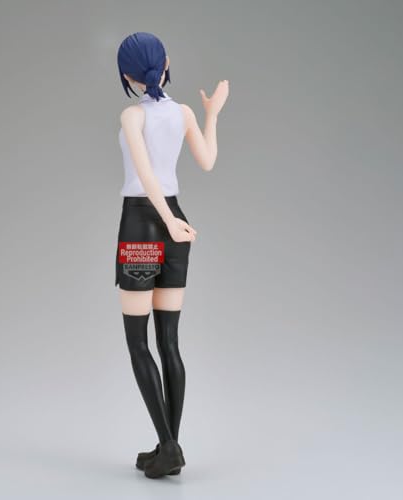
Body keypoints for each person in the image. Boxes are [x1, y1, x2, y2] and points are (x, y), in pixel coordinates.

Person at [115, 31, 229, 479]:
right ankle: (170, 447)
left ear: (128, 76)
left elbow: (145, 176)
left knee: (138, 342)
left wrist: (164, 220)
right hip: (176, 219)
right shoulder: (182, 112)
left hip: (142, 225)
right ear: (165, 65)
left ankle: (168, 446)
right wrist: (211, 114)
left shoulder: (131, 115)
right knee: (170, 341)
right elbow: (208, 161)